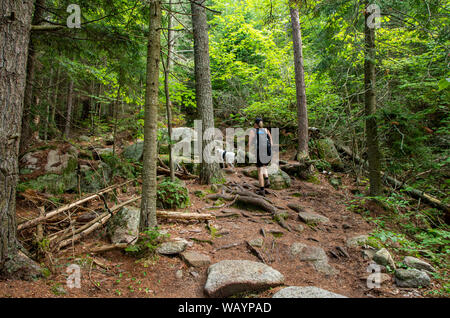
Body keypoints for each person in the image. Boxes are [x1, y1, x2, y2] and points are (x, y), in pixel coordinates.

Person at [249, 118, 273, 196]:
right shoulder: (266, 130)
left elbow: (249, 144)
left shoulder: (253, 131)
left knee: (259, 171)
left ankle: (262, 190)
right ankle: (266, 179)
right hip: (268, 151)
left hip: (260, 151)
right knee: (264, 166)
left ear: (255, 124)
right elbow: (271, 143)